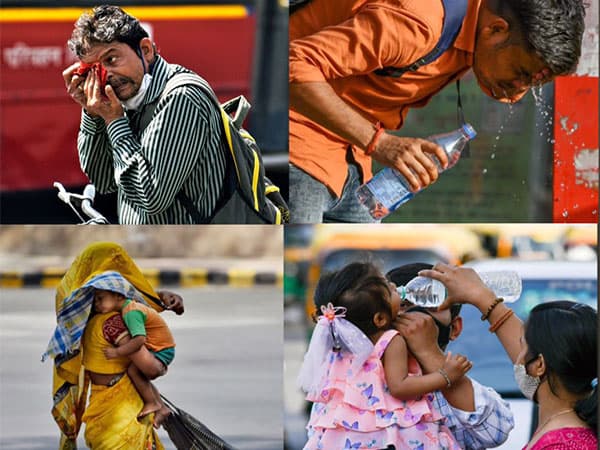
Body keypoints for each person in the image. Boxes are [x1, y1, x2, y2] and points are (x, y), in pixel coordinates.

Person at [289, 0, 586, 223]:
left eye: (533, 84)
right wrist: (381, 142)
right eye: (520, 73)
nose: (517, 94)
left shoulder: (474, 30)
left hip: (353, 162)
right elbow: (292, 67)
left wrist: (375, 143)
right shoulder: (418, 24)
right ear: (496, 29)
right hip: (300, 144)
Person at [63, 5, 226, 224]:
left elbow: (150, 196)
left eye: (111, 60)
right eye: (94, 70)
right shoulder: (128, 98)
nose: (106, 76)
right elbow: (103, 181)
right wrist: (93, 114)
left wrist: (114, 121)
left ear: (146, 50)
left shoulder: (182, 96)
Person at [420, 262, 598, 449]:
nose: (516, 358)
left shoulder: (563, 444)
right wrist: (482, 297)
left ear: (539, 365)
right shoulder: (567, 421)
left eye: (522, 345)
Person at [298, 262, 472, 449]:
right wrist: (446, 376)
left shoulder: (340, 346)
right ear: (380, 319)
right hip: (388, 430)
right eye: (391, 292)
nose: (397, 289)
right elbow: (399, 386)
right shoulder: (392, 340)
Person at [45, 242, 183, 448]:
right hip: (121, 412)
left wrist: (159, 297)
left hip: (99, 407)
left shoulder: (76, 324)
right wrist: (154, 368)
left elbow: (131, 298)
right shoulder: (113, 323)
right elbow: (150, 368)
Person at [387, 263, 514, 449]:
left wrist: (428, 352)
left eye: (430, 306)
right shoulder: (362, 381)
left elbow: (495, 431)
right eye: (405, 306)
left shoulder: (455, 394)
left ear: (454, 328)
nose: (418, 321)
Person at [93, 274, 176, 427]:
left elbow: (139, 340)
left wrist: (118, 352)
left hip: (160, 350)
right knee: (135, 372)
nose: (97, 304)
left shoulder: (131, 312)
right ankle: (161, 408)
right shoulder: (129, 307)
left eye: (100, 298)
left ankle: (152, 402)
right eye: (95, 300)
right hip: (158, 349)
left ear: (118, 296)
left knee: (135, 371)